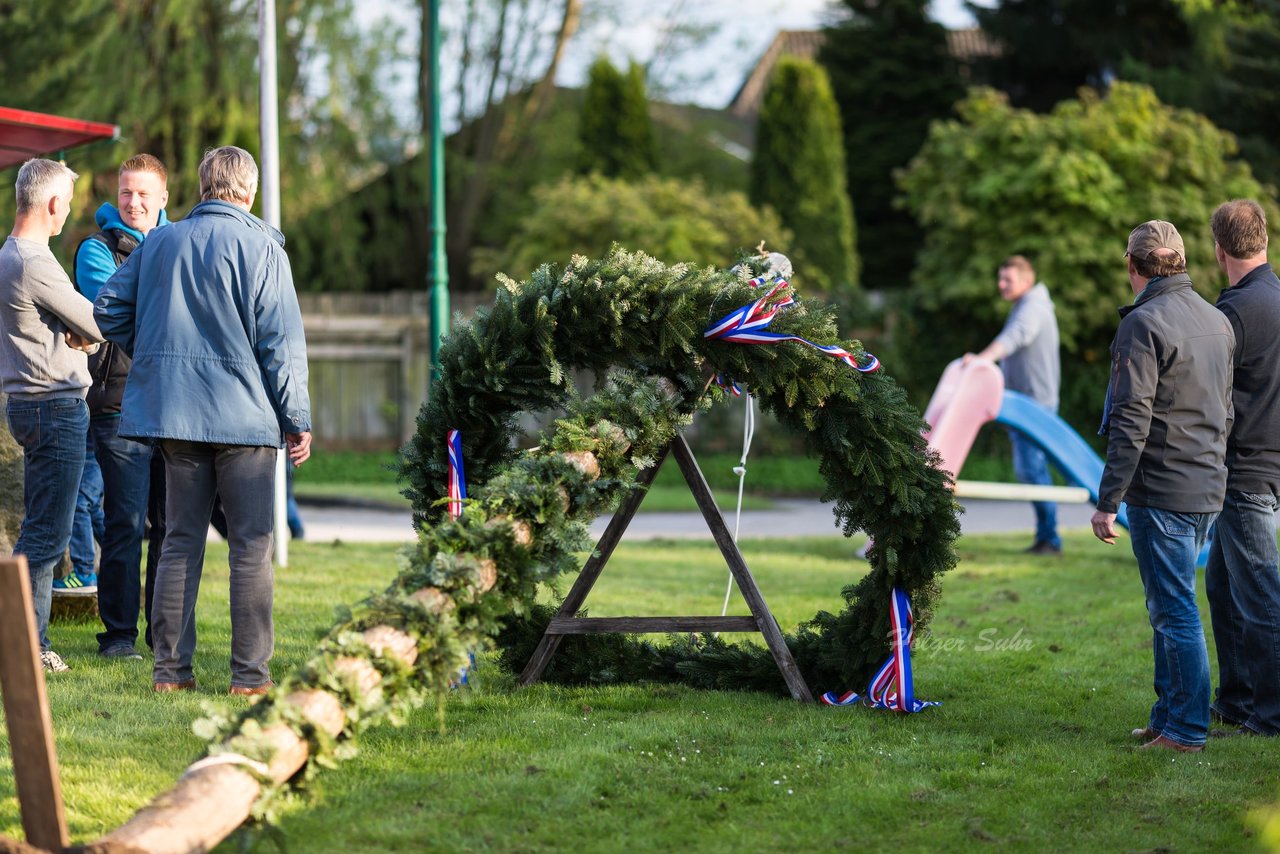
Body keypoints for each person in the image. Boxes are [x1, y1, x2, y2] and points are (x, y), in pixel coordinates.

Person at [95, 146, 312, 696]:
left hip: (175, 413)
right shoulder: (264, 248)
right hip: (246, 418)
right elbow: (280, 346)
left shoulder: (160, 242)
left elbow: (106, 310)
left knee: (179, 541)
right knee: (251, 545)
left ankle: (170, 673)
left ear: (202, 186)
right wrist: (297, 418)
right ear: (249, 191)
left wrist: (156, 354)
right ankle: (249, 678)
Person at [1091, 220, 1235, 753]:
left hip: (1164, 489)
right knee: (1168, 607)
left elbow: (1132, 419)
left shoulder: (1142, 323)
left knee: (1173, 611)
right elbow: (1227, 410)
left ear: (1133, 266)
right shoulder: (1218, 319)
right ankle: (1168, 716)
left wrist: (1108, 502)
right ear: (1179, 260)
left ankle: (1186, 730)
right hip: (1205, 486)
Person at [0, 158, 104, 673]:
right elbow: (95, 320)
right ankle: (29, 646)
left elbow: (77, 329)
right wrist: (84, 335)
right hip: (55, 407)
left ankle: (23, 641)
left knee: (42, 529)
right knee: (46, 535)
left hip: (30, 403)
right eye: (68, 202)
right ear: (55, 204)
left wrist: (78, 336)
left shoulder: (11, 254)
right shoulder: (34, 260)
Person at [73, 153, 172, 660]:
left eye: (142, 194)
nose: (132, 203)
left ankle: (163, 634)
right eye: (125, 193)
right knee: (125, 522)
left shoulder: (181, 243)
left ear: (163, 200)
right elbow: (108, 306)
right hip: (117, 407)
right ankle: (117, 635)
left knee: (168, 526)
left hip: (176, 407)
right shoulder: (96, 249)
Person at [1204, 199, 1280, 737]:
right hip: (1267, 464)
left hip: (1244, 470)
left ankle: (1270, 716)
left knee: (1260, 598)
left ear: (1218, 249)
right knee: (1223, 588)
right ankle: (1235, 699)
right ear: (1265, 241)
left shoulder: (1231, 313)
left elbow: (1211, 397)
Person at [967, 255, 1062, 555]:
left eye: (1008, 279)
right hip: (1025, 402)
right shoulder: (1026, 305)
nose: (1001, 284)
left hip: (1035, 404)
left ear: (1027, 280)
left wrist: (981, 360)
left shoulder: (1033, 307)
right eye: (1000, 278)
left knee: (1032, 470)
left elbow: (1014, 338)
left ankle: (1050, 538)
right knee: (1030, 470)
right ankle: (1047, 536)